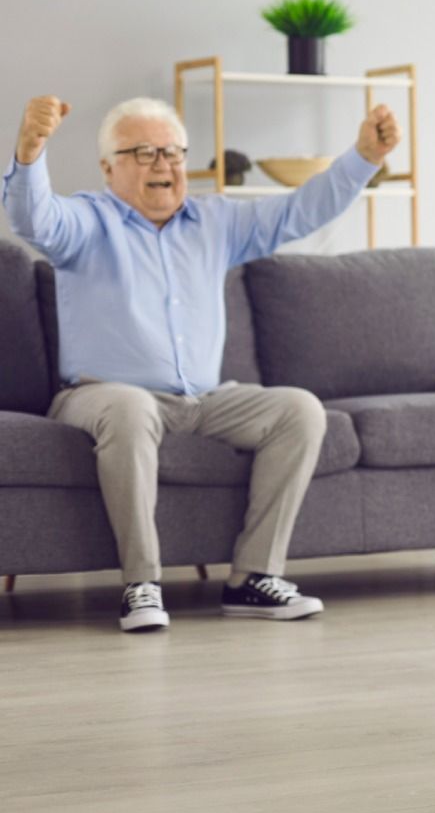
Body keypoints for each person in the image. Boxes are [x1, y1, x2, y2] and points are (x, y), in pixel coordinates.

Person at [3, 93, 401, 631]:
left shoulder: (216, 221)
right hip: (102, 395)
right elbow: (35, 219)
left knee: (299, 410)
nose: (162, 163)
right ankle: (141, 583)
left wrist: (364, 157)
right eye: (143, 152)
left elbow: (297, 211)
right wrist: (29, 153)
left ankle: (254, 579)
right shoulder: (86, 223)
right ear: (108, 167)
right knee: (128, 407)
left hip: (203, 399)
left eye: (171, 151)